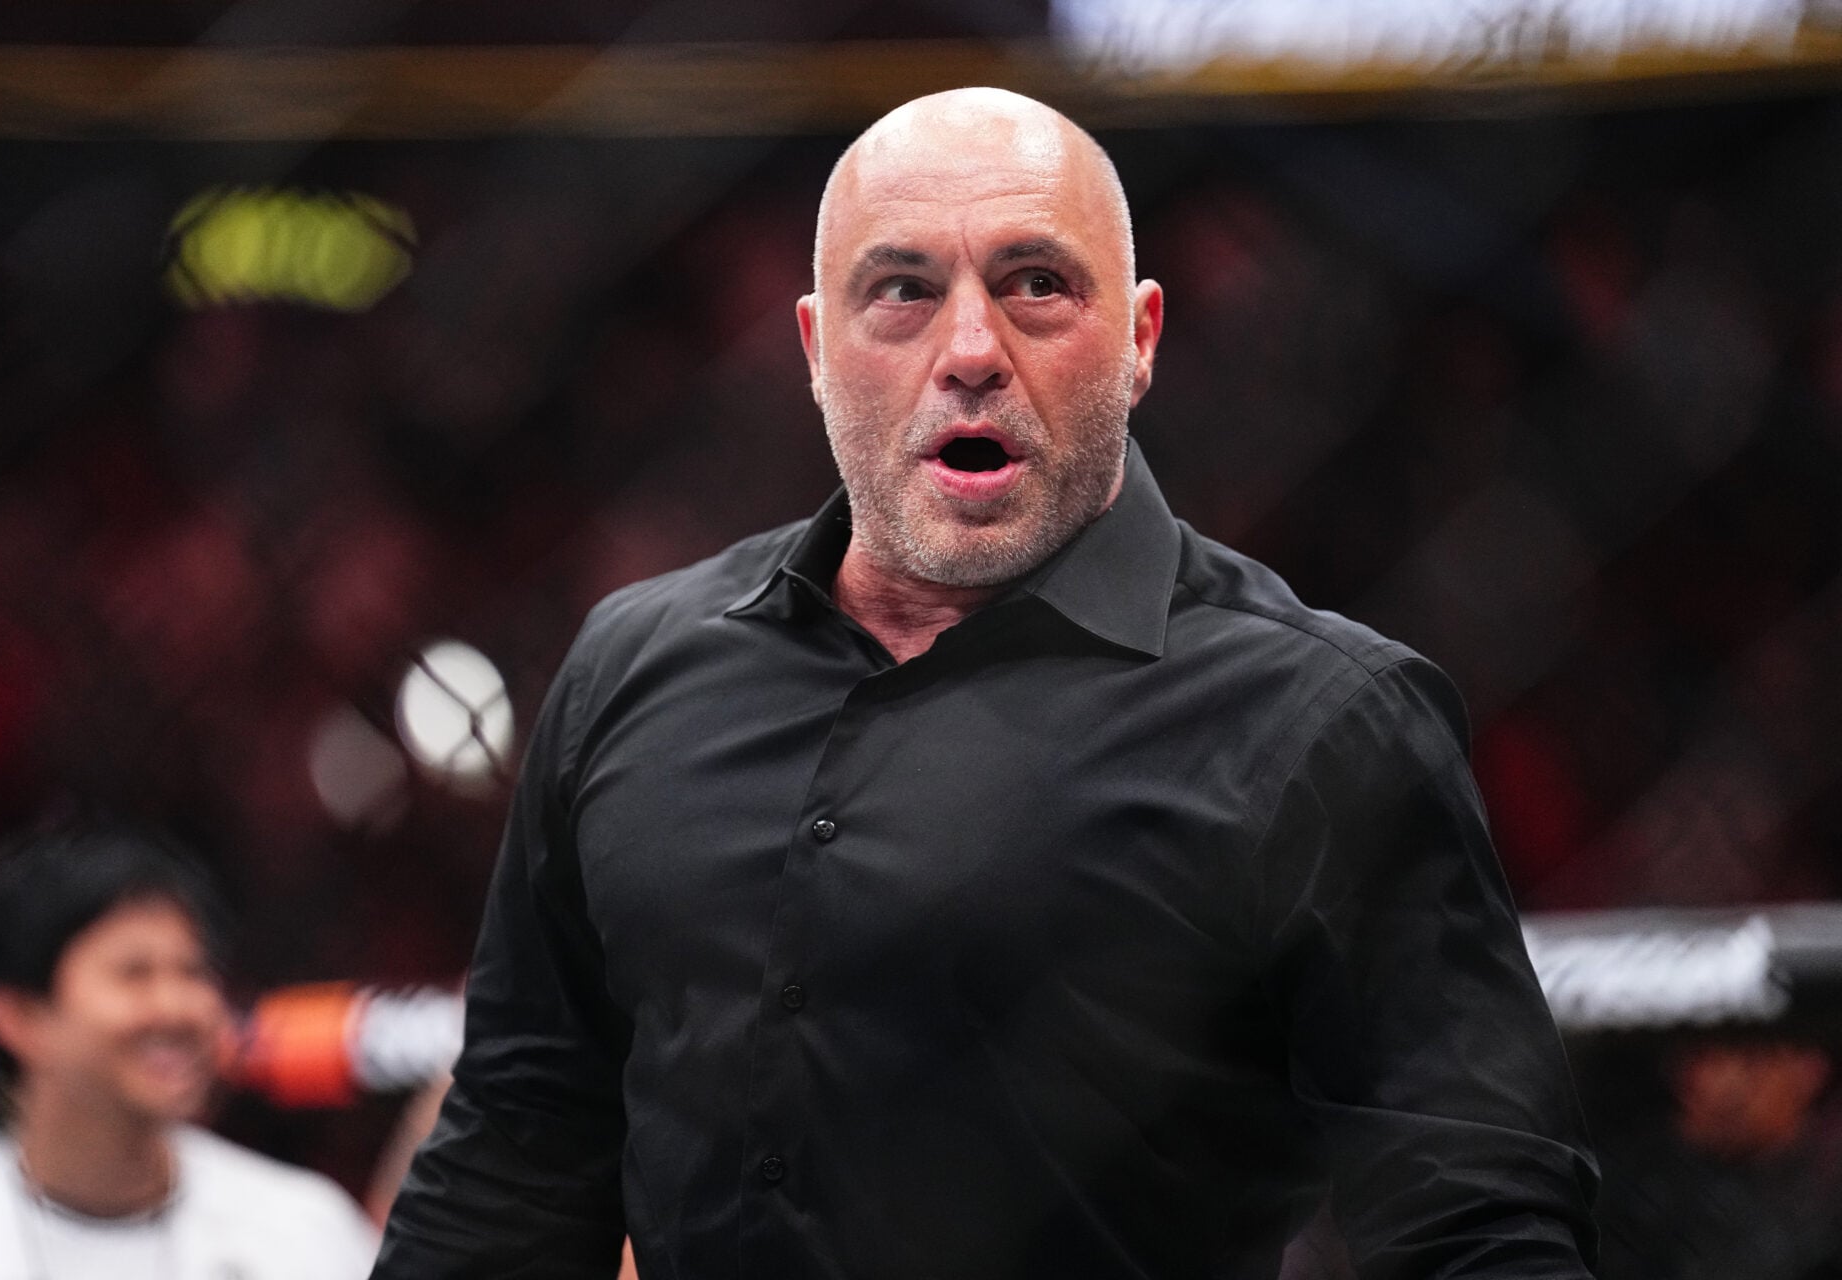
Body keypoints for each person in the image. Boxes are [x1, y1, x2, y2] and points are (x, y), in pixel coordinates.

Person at [373, 87, 1598, 1279]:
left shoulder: (1318, 720)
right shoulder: (636, 665)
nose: (969, 351)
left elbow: (1477, 1229)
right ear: (816, 348)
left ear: (1140, 340)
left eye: (1037, 284)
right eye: (902, 290)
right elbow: (512, 1165)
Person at [0, 822, 378, 1279]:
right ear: (18, 1016)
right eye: (134, 973)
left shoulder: (303, 1232)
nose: (177, 1008)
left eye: (193, 972)